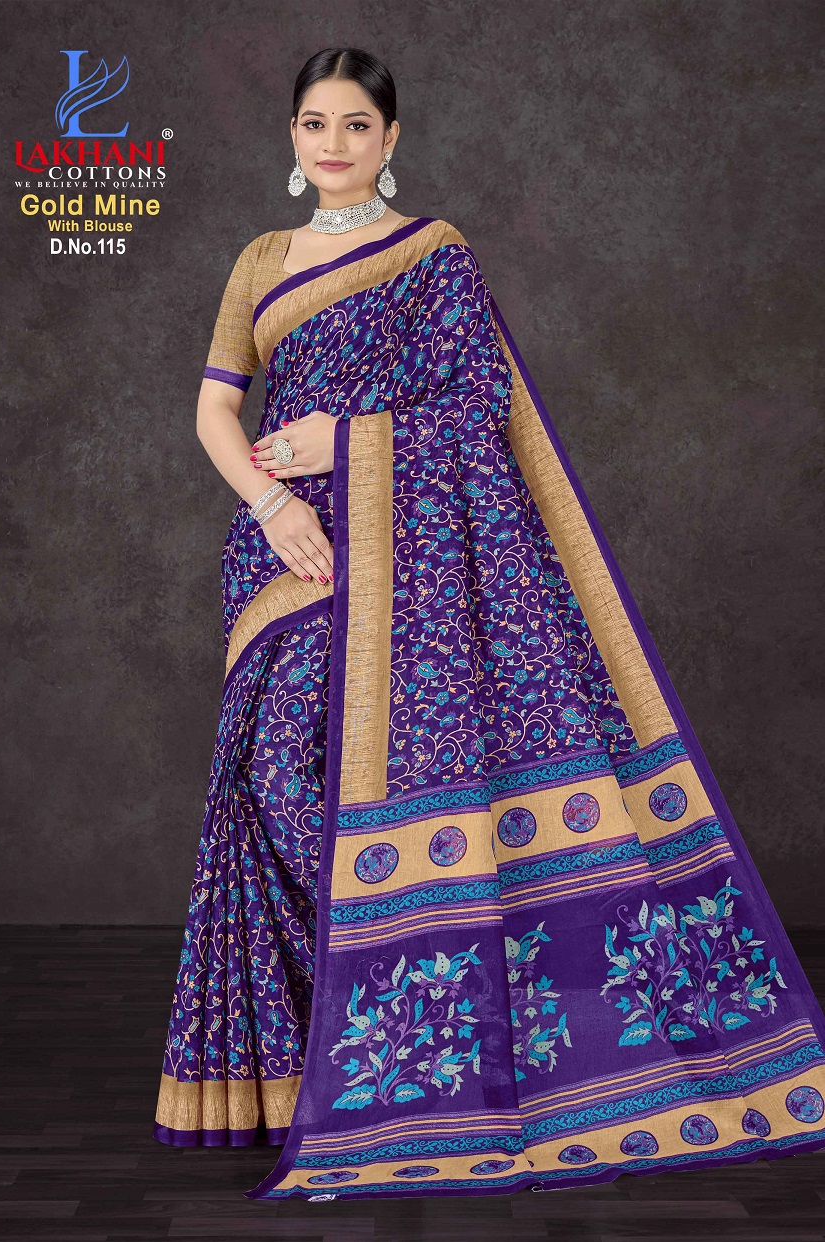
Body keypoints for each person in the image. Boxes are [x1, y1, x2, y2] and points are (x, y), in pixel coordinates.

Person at [153, 46, 825, 1203]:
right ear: (292, 136)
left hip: (405, 550)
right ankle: (345, 1054)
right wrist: (271, 502)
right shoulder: (260, 261)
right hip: (283, 552)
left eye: (355, 125)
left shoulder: (434, 254)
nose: (332, 144)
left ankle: (419, 1052)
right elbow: (216, 408)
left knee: (354, 783)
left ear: (391, 140)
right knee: (273, 783)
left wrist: (346, 442)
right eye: (314, 123)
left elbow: (478, 406)